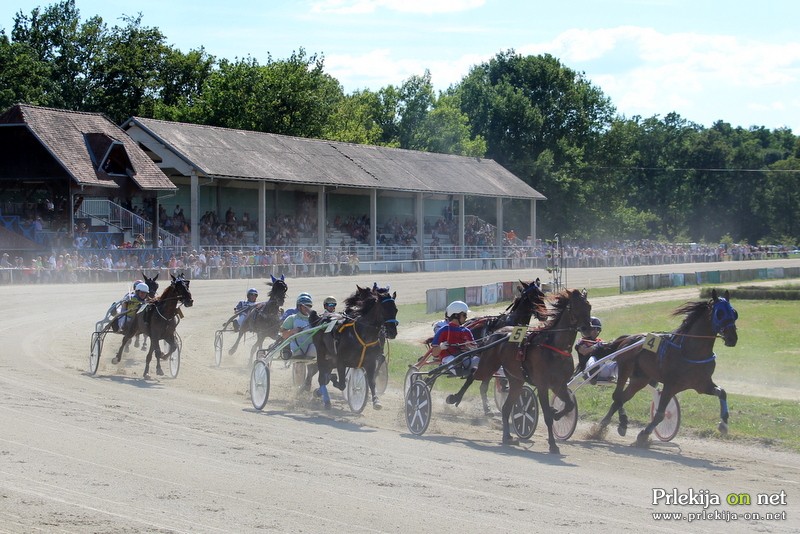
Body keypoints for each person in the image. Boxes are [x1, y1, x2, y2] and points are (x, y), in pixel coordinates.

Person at [431, 300, 478, 376]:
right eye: (464, 315)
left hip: (464, 358)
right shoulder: (443, 330)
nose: (466, 317)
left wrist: (470, 348)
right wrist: (441, 347)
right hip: (448, 358)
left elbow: (475, 348)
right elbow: (434, 353)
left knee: (482, 362)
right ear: (456, 315)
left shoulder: (467, 331)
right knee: (456, 366)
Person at [575, 316, 616, 383]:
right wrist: (597, 346)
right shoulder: (581, 342)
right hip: (587, 371)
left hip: (603, 369)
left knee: (620, 361)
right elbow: (584, 352)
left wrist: (611, 346)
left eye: (589, 329)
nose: (586, 332)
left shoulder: (600, 341)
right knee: (592, 359)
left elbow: (610, 356)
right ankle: (593, 377)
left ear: (597, 330)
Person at [280, 294, 317, 359]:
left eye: (308, 306)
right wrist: (293, 331)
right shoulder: (292, 318)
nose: (307, 308)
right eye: (304, 306)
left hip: (310, 349)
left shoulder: (314, 320)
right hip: (295, 349)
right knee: (297, 352)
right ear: (299, 307)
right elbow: (283, 335)